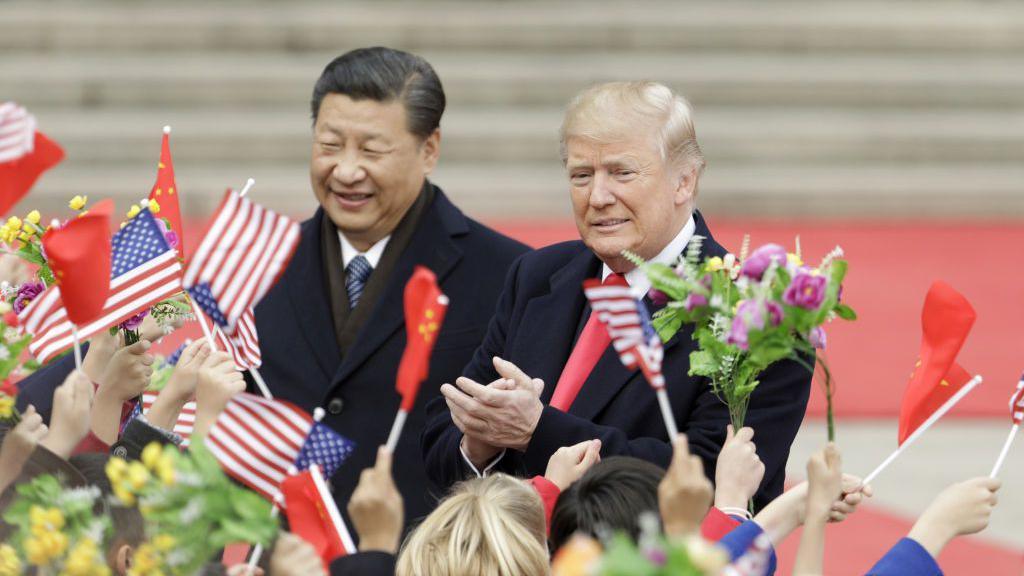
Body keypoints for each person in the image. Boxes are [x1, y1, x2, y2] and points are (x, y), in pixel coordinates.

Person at [422, 81, 811, 508]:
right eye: (581, 176)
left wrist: (538, 430)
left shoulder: (756, 313)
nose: (598, 197)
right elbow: (442, 442)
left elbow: (712, 484)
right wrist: (480, 445)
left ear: (685, 181)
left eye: (622, 173)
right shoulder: (538, 275)